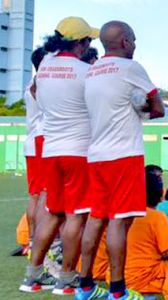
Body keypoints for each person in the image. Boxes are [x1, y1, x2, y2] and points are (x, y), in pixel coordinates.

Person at [78, 20, 166, 300]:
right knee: (118, 221)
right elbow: (158, 107)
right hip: (123, 155)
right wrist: (142, 109)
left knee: (96, 218)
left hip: (96, 155)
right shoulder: (130, 68)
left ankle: (85, 285)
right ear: (126, 41)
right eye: (135, 40)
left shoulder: (92, 71)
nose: (136, 45)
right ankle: (118, 290)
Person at [18, 17, 98, 295]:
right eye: (88, 41)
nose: (90, 47)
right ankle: (67, 277)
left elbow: (39, 95)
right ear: (80, 43)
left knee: (52, 212)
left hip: (50, 150)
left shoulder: (45, 67)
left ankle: (32, 276)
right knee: (76, 216)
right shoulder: (86, 71)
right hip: (79, 151)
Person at [123, 175, 168, 296]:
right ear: (161, 194)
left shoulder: (123, 215)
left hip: (117, 275)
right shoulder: (157, 217)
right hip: (144, 278)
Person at [23, 47, 47, 256]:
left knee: (35, 195)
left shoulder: (31, 83)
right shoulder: (41, 83)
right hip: (42, 139)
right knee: (42, 194)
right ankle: (37, 241)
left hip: (32, 140)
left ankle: (32, 240)